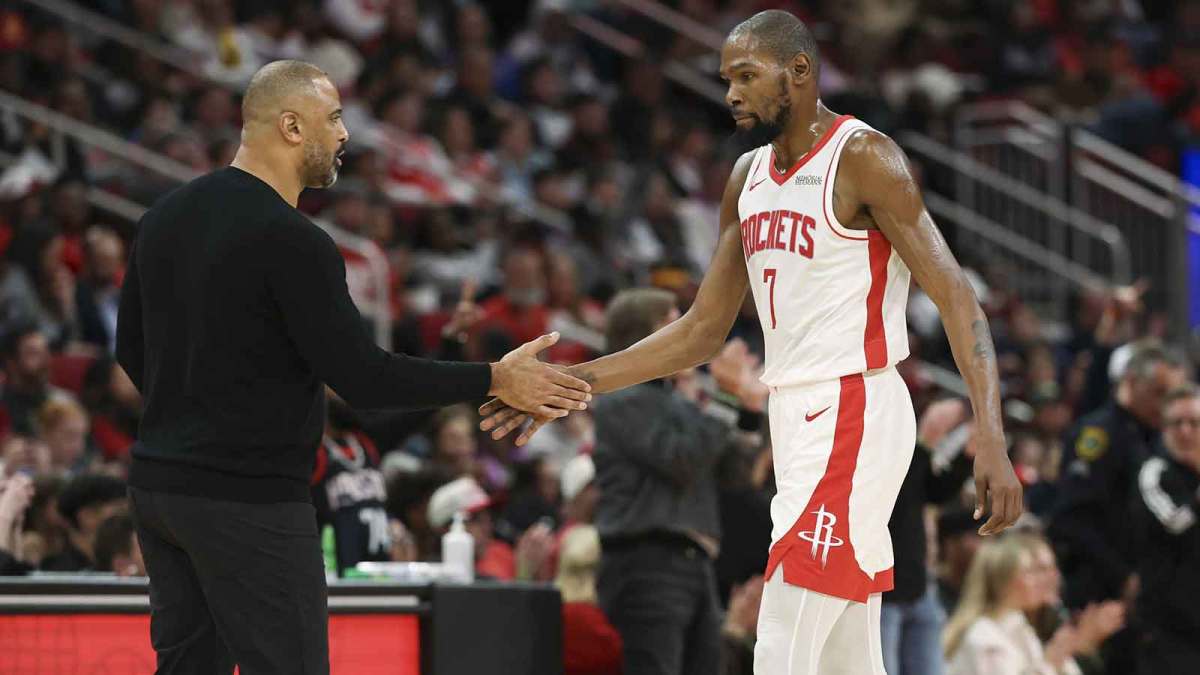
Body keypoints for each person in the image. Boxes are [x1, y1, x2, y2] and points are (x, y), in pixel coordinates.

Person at [481, 10, 1022, 673]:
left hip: (854, 406)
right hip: (793, 418)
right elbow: (700, 332)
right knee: (844, 657)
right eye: (725, 78)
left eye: (745, 75)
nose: (731, 92)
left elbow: (958, 296)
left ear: (798, 72)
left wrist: (990, 434)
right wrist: (571, 383)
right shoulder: (746, 177)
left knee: (780, 644)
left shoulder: (864, 159)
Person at [116, 60, 592, 675]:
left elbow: (132, 349)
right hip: (250, 500)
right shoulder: (294, 240)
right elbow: (365, 378)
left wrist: (197, 410)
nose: (345, 135)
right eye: (335, 117)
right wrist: (494, 377)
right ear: (291, 125)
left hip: (159, 490)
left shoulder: (162, 218)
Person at [591, 288, 763, 675]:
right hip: (647, 562)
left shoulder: (680, 403)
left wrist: (747, 410)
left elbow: (732, 474)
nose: (689, 337)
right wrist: (723, 398)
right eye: (674, 325)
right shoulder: (621, 400)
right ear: (644, 339)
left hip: (694, 563)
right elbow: (682, 460)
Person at [1048, 343, 1186, 609]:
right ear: (1131, 382)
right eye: (1159, 393)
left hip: (1147, 587)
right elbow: (1072, 520)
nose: (1165, 405)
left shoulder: (1159, 438)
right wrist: (1122, 578)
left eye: (1172, 396)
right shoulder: (1098, 435)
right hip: (1097, 590)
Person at [1131, 384, 1200, 673]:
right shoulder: (1155, 472)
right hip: (1171, 630)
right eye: (1176, 423)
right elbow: (1177, 523)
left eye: (1194, 423)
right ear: (1162, 427)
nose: (1185, 431)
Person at [943, 533, 1081, 675]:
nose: (1052, 577)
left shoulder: (1021, 629)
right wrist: (1049, 664)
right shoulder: (985, 638)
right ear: (1003, 579)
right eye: (1034, 571)